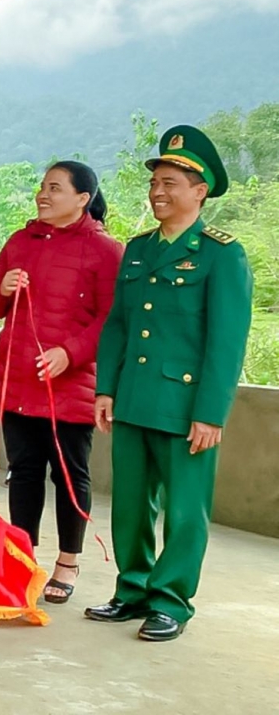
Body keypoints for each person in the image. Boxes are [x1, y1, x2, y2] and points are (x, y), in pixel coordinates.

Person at [85, 126, 252, 641]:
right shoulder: (137, 250)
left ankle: (172, 602)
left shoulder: (222, 255)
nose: (159, 191)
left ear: (199, 191)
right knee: (131, 505)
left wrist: (210, 413)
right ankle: (132, 591)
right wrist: (106, 388)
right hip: (134, 398)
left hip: (185, 407)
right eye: (155, 182)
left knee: (183, 512)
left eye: (171, 183)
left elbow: (226, 343)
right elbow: (118, 325)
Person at [0, 161, 124, 604]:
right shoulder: (20, 241)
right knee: (22, 474)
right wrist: (1, 286)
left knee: (68, 475)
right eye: (42, 187)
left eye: (55, 188)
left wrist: (70, 353)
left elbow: (112, 319)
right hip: (18, 380)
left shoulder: (105, 251)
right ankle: (24, 560)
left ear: (82, 199)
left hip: (69, 385)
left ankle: (68, 561)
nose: (43, 195)